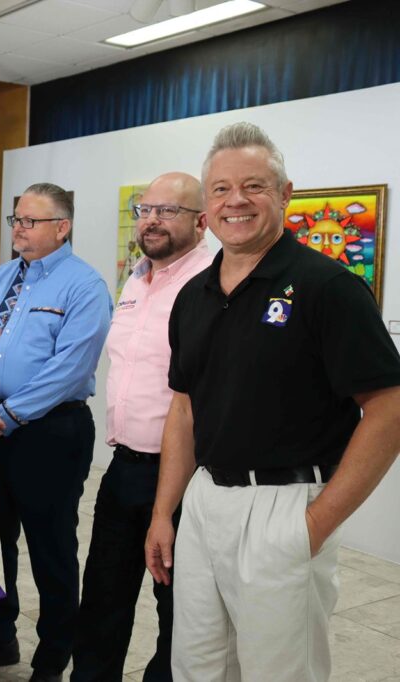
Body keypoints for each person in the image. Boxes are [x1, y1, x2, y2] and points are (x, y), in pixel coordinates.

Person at [144, 122, 400, 681]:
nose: (236, 200)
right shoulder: (193, 296)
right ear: (207, 208)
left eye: (254, 186)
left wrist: (315, 524)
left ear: (285, 194)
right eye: (221, 189)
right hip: (204, 502)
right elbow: (184, 409)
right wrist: (165, 512)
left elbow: (389, 408)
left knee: (279, 672)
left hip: (286, 506)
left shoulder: (328, 287)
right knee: (197, 665)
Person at [0, 183, 112, 682]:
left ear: (62, 227)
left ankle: (52, 660)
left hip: (50, 432)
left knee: (51, 551)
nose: (17, 228)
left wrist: (12, 413)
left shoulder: (85, 286)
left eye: (29, 221)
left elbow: (70, 367)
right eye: (16, 219)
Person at [71, 173, 212, 682]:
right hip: (125, 467)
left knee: (178, 613)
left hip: (185, 477)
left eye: (167, 211)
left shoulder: (211, 285)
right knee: (102, 602)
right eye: (145, 210)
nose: (151, 220)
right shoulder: (135, 279)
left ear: (201, 222)